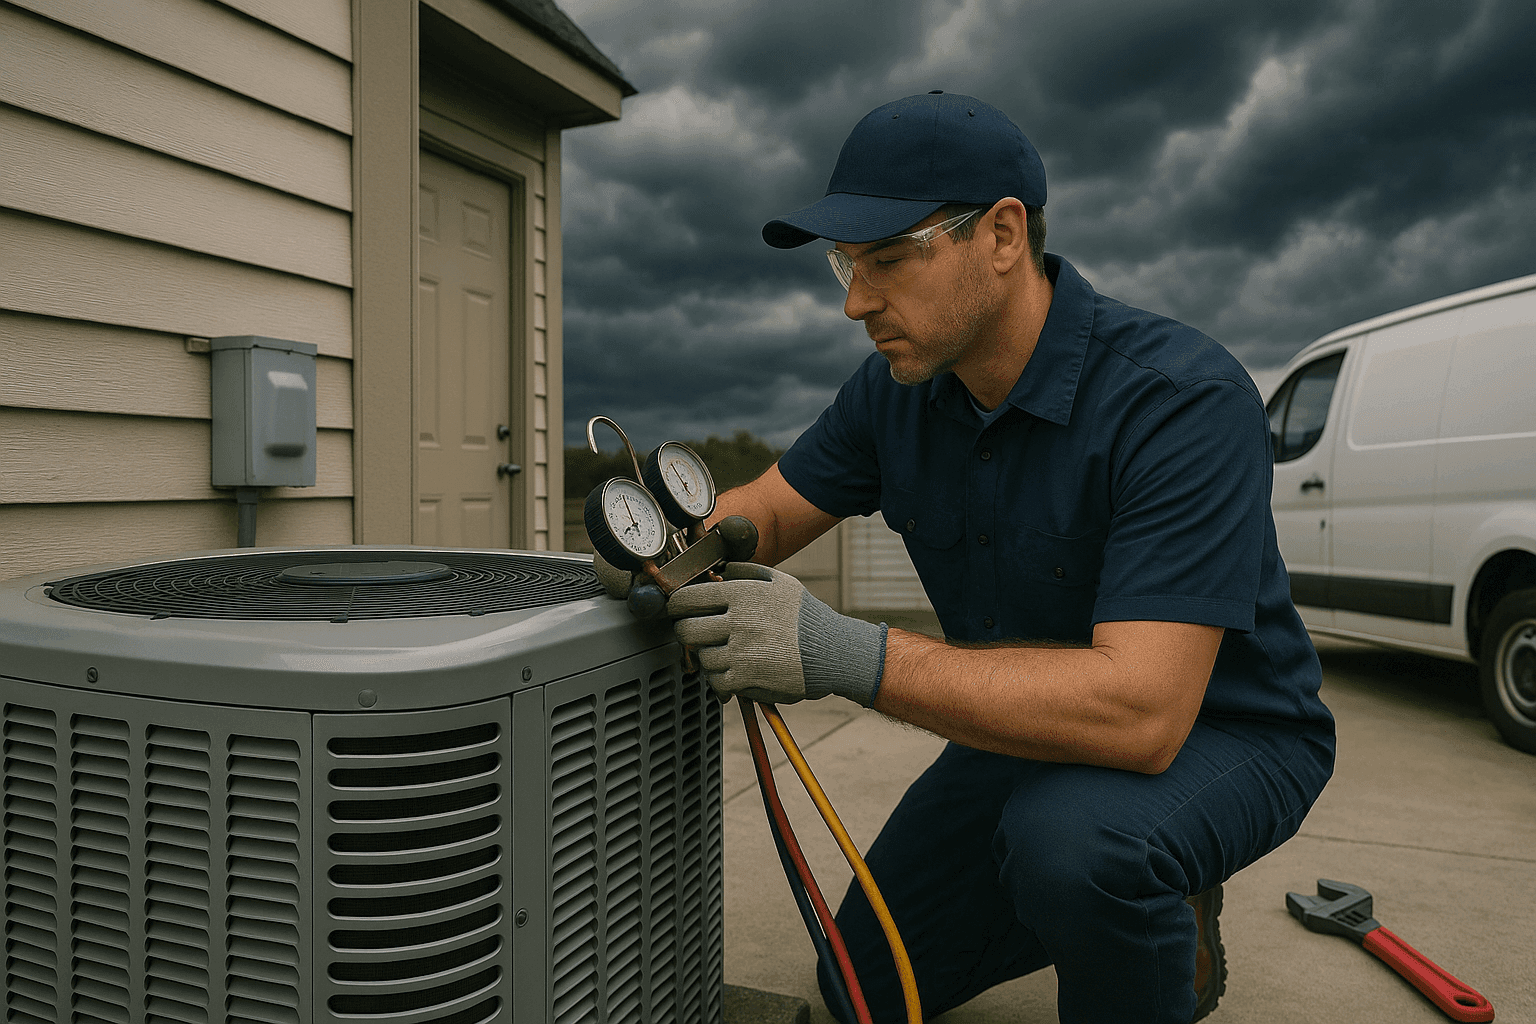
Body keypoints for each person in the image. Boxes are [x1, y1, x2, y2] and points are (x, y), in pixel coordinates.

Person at [657, 92, 1335, 1024]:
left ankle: (1155, 902)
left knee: (1080, 845)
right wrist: (656, 545)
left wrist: (839, 652)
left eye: (888, 258)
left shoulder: (1180, 401)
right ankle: (1116, 902)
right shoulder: (898, 392)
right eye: (844, 265)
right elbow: (761, 517)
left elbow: (1142, 714)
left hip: (1220, 733)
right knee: (863, 987)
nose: (857, 301)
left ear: (1004, 234)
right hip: (1022, 727)